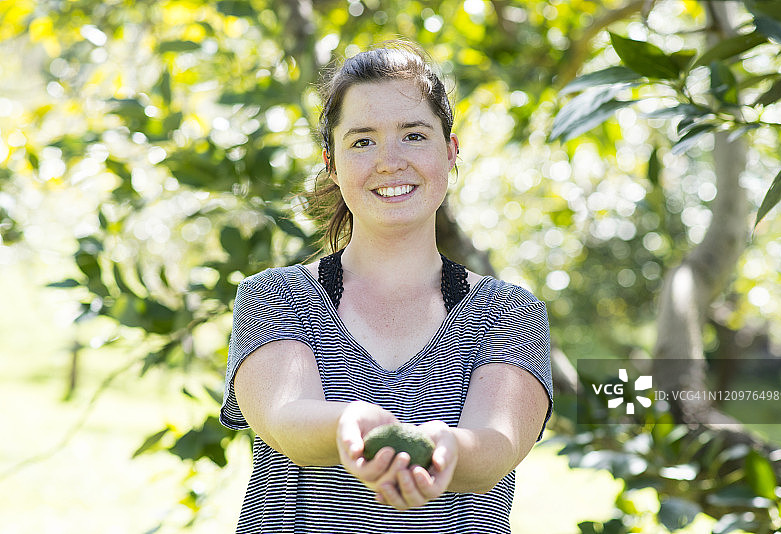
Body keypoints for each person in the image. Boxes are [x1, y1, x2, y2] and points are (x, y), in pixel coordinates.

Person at [220, 40, 553, 533]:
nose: (389, 161)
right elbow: (285, 419)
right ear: (332, 163)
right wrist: (348, 429)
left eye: (414, 135)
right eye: (362, 140)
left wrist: (445, 450)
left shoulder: (509, 312)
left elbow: (497, 445)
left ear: (450, 150)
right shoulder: (273, 297)